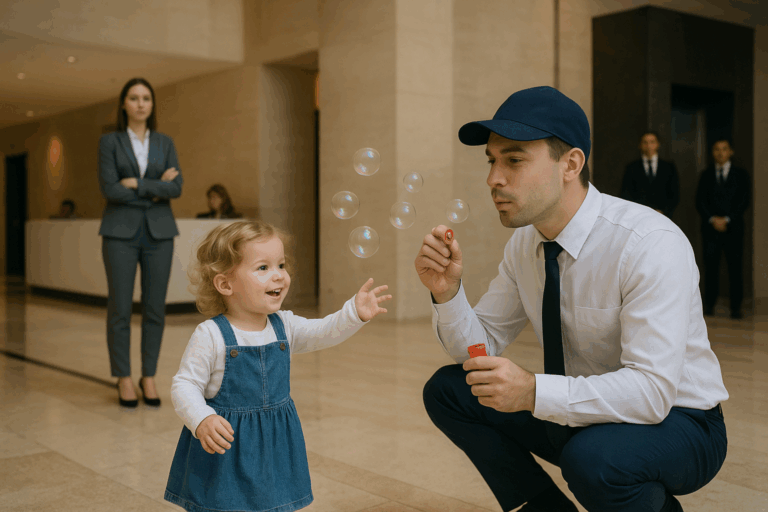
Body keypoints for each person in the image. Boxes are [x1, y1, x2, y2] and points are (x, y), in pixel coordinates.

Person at [416, 86, 728, 512]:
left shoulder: (648, 243)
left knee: (594, 460)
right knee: (449, 390)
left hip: (682, 421)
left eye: (514, 159)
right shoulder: (525, 244)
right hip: (584, 412)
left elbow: (653, 392)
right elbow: (479, 347)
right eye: (492, 160)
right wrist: (447, 292)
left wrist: (532, 392)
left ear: (571, 163)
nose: (493, 179)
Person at [164, 220, 391, 512]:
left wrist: (353, 314)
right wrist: (201, 418)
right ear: (225, 284)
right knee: (224, 504)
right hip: (227, 448)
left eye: (281, 265)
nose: (279, 276)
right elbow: (185, 385)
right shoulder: (211, 335)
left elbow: (323, 331)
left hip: (273, 443)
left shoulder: (284, 324)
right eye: (263, 268)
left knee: (273, 502)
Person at [98, 77, 183, 408]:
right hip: (119, 232)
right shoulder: (110, 142)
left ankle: (149, 376)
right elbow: (110, 189)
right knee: (119, 308)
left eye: (146, 98)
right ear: (124, 104)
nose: (140, 103)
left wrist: (137, 184)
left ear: (152, 104)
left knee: (154, 308)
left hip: (160, 233)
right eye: (133, 98)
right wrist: (155, 187)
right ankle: (123, 376)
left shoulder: (165, 142)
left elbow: (177, 188)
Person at [695, 139, 751, 319]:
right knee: (710, 267)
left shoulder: (741, 175)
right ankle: (709, 305)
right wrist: (712, 219)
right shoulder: (706, 174)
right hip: (710, 229)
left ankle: (736, 307)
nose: (720, 153)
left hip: (733, 228)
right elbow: (700, 200)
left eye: (724, 149)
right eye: (717, 149)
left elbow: (744, 200)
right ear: (712, 152)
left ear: (731, 152)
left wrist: (727, 219)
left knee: (735, 268)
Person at [620, 132, 680, 218]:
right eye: (645, 142)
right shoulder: (631, 168)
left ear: (658, 144)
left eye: (652, 142)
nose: (649, 146)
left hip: (664, 216)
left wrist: (663, 211)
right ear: (640, 145)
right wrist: (639, 212)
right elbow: (626, 193)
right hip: (639, 216)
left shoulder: (669, 167)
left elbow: (674, 194)